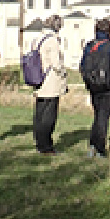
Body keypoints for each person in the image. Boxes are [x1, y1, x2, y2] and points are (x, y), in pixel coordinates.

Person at [81, 18, 110, 158]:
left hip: (93, 86)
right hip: (108, 86)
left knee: (98, 115)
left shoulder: (89, 46)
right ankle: (99, 148)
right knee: (103, 117)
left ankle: (92, 145)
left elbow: (82, 66)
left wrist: (88, 81)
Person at [32, 15, 68, 155]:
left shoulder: (37, 39)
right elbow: (56, 63)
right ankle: (46, 146)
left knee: (39, 113)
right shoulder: (52, 41)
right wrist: (64, 72)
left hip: (38, 79)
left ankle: (39, 142)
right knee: (49, 115)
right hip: (50, 81)